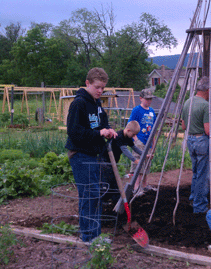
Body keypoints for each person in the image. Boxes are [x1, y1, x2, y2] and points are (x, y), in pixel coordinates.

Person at [65, 67, 117, 243]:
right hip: (80, 154)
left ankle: (95, 235)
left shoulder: (97, 103)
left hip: (93, 154)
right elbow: (73, 131)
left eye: (103, 88)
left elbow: (102, 123)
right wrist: (98, 134)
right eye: (97, 87)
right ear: (87, 83)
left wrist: (109, 131)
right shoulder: (78, 103)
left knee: (95, 194)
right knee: (90, 194)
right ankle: (89, 237)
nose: (100, 91)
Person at [181, 77, 211, 214]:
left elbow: (183, 126)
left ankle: (193, 198)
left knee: (196, 173)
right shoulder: (205, 105)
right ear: (208, 90)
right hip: (201, 141)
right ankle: (199, 206)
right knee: (203, 175)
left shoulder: (188, 102)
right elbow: (208, 130)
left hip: (190, 140)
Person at [100, 120, 148, 202]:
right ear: (128, 130)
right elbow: (125, 150)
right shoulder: (119, 136)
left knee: (112, 181)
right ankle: (104, 200)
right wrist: (135, 160)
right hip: (104, 160)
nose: (134, 136)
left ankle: (113, 200)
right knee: (108, 181)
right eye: (133, 134)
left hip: (113, 162)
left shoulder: (128, 137)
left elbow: (134, 147)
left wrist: (145, 155)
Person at [128, 89, 156, 189]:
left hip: (148, 141)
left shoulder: (152, 111)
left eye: (150, 99)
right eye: (147, 99)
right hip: (139, 140)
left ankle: (144, 185)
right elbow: (130, 125)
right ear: (141, 98)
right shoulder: (136, 110)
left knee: (147, 165)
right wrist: (136, 140)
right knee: (138, 165)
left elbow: (153, 128)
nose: (149, 101)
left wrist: (153, 143)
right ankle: (136, 187)